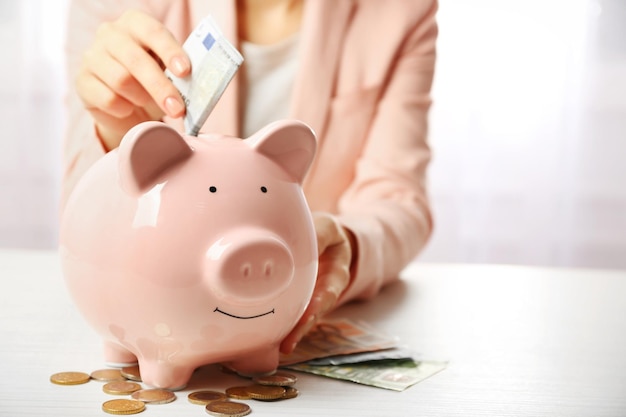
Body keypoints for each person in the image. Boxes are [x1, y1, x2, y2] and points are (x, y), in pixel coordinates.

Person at [62, 0, 437, 354]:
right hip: (162, 315)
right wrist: (117, 135)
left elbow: (398, 199)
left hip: (284, 313)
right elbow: (77, 221)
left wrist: (350, 244)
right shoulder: (117, 10)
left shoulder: (401, 10)